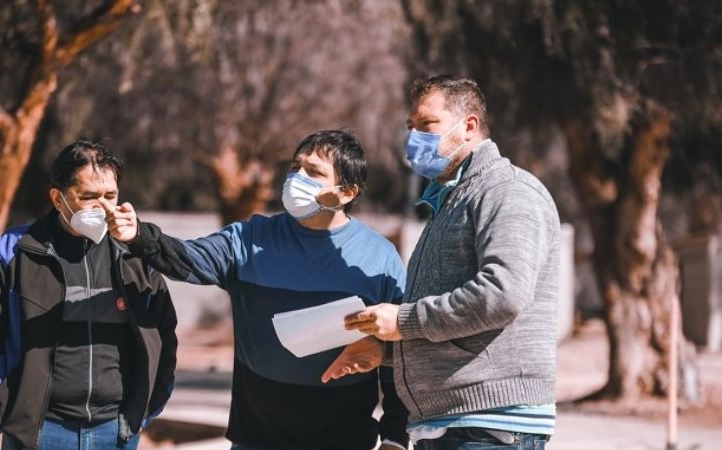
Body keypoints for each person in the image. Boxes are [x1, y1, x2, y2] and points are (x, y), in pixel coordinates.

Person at [107, 130, 409, 450]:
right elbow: (185, 259)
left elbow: (401, 356)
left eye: (314, 172)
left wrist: (394, 438)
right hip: (256, 440)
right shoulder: (249, 238)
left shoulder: (380, 257)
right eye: (295, 167)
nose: (297, 178)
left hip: (346, 442)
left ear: (347, 192)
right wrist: (138, 234)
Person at [324, 76, 560, 449]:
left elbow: (503, 295)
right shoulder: (452, 202)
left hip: (489, 427)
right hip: (450, 425)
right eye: (410, 127)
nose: (414, 138)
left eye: (427, 125)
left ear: (469, 126)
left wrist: (401, 322)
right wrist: (386, 350)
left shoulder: (507, 191)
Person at [0, 139, 178, 450]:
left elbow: (164, 335)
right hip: (40, 434)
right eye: (88, 196)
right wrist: (11, 413)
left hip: (116, 431)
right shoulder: (15, 251)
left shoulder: (136, 255)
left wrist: (140, 413)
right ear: (58, 198)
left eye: (110, 196)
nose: (102, 206)